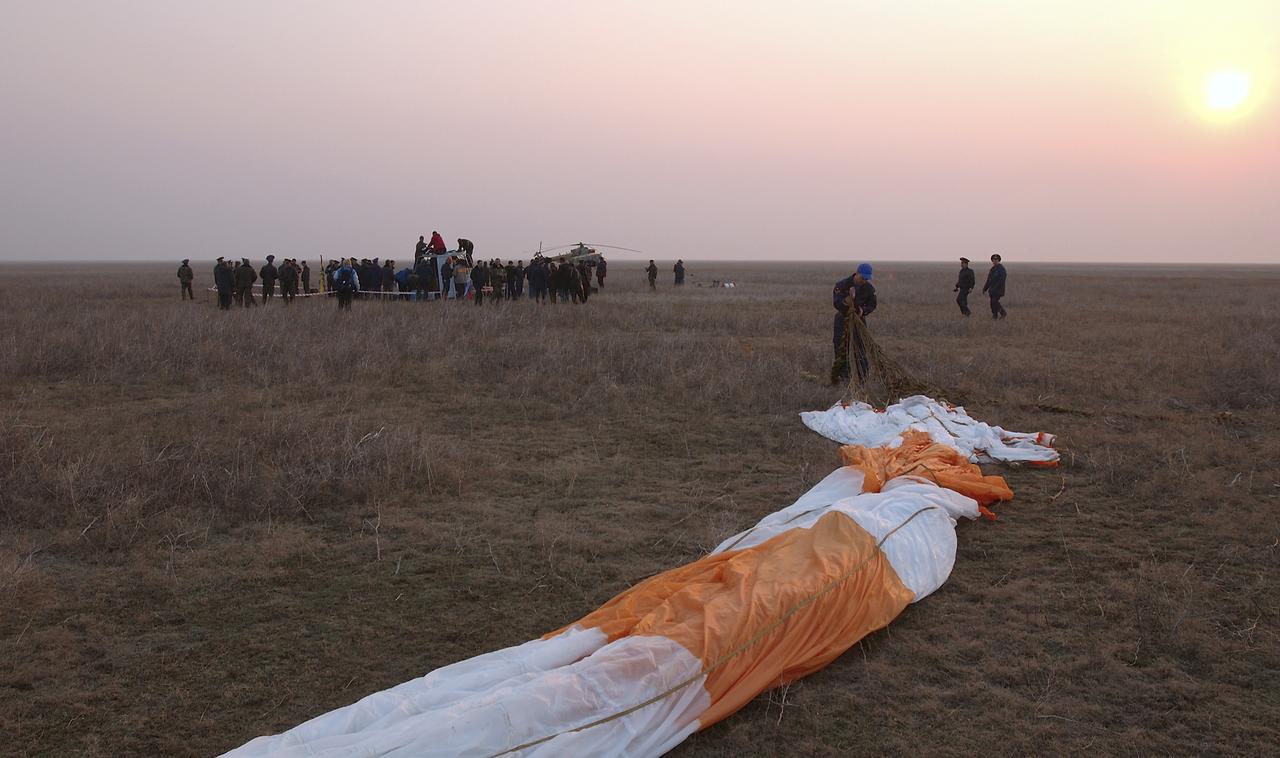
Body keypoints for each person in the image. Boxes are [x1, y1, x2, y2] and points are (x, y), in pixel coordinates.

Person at [831, 263, 877, 385]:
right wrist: (847, 306)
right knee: (841, 347)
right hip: (843, 320)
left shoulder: (869, 289)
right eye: (863, 278)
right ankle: (843, 377)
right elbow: (836, 302)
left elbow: (872, 304)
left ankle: (862, 377)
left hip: (859, 321)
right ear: (856, 273)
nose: (864, 281)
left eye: (867, 279)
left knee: (860, 347)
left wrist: (863, 310)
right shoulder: (842, 285)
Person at [982, 253, 1007, 320]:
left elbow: (1002, 280)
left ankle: (1003, 313)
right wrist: (985, 288)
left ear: (999, 260)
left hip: (998, 290)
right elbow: (989, 280)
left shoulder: (1001, 269)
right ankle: (995, 315)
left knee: (994, 302)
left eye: (996, 259)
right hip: (992, 290)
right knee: (992, 303)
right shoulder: (992, 269)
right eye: (993, 259)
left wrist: (995, 288)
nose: (995, 261)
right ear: (992, 261)